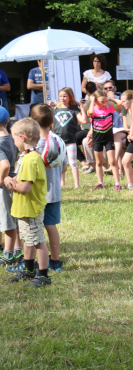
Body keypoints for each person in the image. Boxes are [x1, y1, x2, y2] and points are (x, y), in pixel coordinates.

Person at [4, 118, 50, 287]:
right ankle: (29, 269)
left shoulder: (31, 160)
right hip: (24, 209)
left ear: (22, 138)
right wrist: (14, 178)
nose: (14, 142)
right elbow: (22, 178)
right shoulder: (26, 157)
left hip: (31, 209)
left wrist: (9, 183)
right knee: (27, 240)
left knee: (37, 242)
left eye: (14, 138)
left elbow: (25, 188)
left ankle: (43, 275)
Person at [29, 104, 67, 273]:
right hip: (54, 192)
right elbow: (64, 167)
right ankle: (55, 260)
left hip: (36, 194)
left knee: (33, 228)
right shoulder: (58, 141)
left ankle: (30, 261)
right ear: (52, 122)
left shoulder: (32, 144)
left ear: (31, 122)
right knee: (51, 226)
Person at [51, 87, 88, 190]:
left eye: (65, 96)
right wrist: (48, 107)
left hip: (70, 140)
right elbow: (48, 121)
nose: (62, 98)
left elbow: (84, 120)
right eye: (60, 96)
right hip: (58, 140)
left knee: (73, 163)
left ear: (70, 97)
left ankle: (77, 184)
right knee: (60, 162)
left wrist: (82, 108)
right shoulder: (55, 109)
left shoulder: (73, 109)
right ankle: (61, 183)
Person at [87, 90, 123, 190]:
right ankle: (100, 183)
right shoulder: (93, 110)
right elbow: (90, 113)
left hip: (108, 139)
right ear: (95, 101)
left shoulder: (109, 109)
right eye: (102, 102)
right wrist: (92, 101)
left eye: (105, 101)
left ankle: (117, 183)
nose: (104, 104)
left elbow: (120, 103)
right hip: (97, 139)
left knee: (112, 161)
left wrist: (109, 98)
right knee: (99, 162)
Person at [0, 107, 21, 268]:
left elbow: (5, 165)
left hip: (4, 185)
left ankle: (8, 254)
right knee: (13, 218)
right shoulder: (12, 138)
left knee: (7, 220)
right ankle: (18, 250)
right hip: (14, 181)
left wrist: (1, 180)